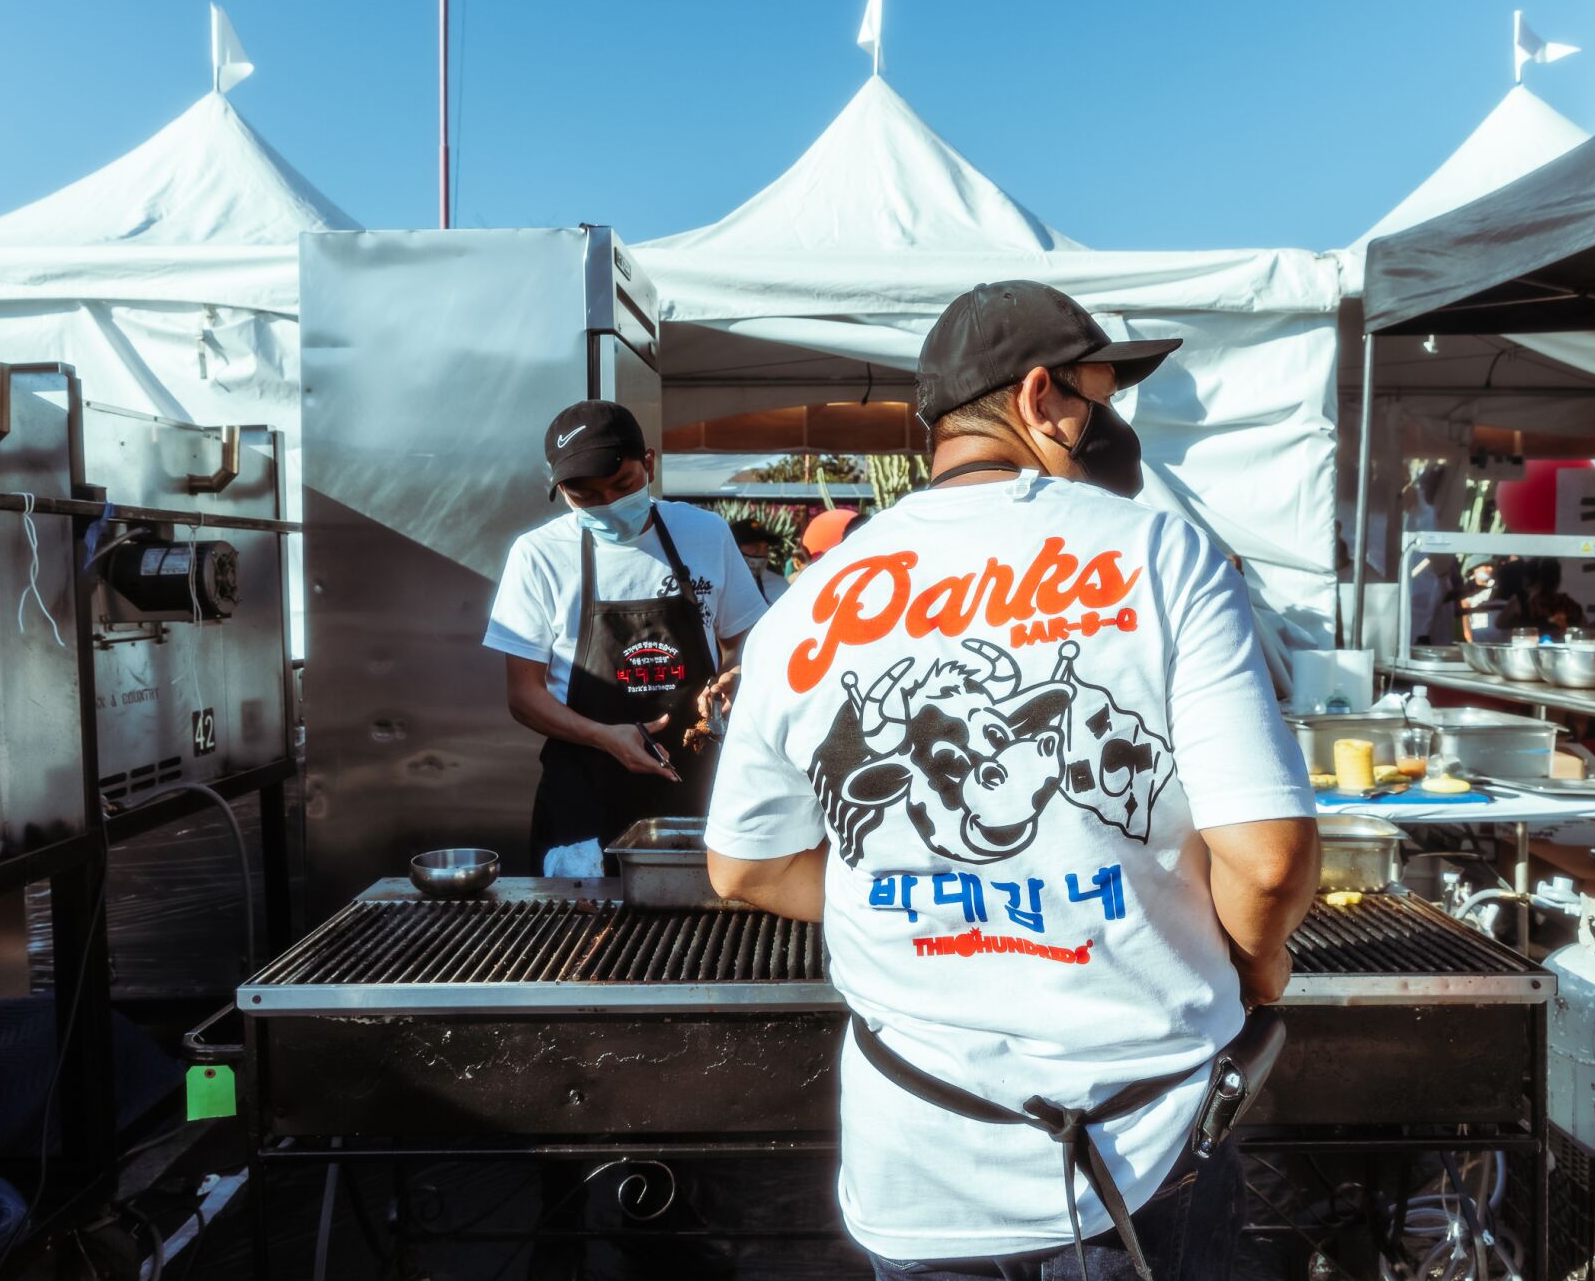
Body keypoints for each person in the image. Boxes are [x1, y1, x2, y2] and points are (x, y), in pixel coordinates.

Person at [703, 280, 1321, 1281]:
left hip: (917, 1166)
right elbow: (1266, 855)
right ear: (1039, 397)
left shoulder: (804, 605)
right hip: (1145, 1157)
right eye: (1097, 393)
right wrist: (1254, 968)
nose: (1107, 419)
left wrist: (914, 907)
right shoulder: (1164, 554)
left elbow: (743, 867)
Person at [485, 400, 766, 875]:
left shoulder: (704, 533)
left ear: (650, 464)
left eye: (623, 485)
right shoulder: (538, 555)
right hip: (584, 791)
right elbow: (524, 695)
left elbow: (746, 642)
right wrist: (605, 737)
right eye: (585, 495)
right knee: (581, 944)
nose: (608, 505)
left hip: (696, 780)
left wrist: (737, 678)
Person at [1499, 557, 1588, 638]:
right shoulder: (1569, 605)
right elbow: (1586, 631)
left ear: (1528, 579)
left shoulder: (1521, 602)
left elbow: (1500, 625)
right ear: (1558, 579)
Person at [729, 516, 788, 604]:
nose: (761, 553)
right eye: (754, 547)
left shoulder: (780, 584)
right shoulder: (723, 587)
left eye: (766, 547)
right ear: (734, 549)